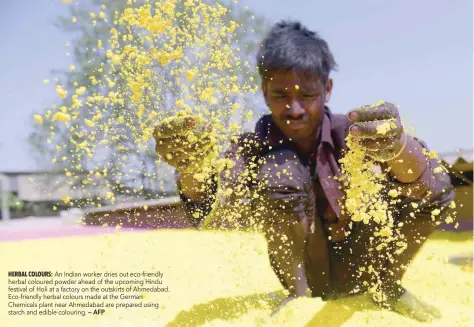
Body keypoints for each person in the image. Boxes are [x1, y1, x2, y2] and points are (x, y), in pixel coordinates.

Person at [153, 20, 454, 322]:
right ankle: (298, 296)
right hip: (311, 276)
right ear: (264, 91)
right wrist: (192, 167)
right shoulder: (252, 146)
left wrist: (398, 147)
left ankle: (385, 286)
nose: (294, 109)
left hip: (369, 265)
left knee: (437, 178)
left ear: (327, 89)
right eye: (281, 95)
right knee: (278, 170)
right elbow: (211, 201)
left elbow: (431, 185)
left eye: (307, 95)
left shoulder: (353, 133)